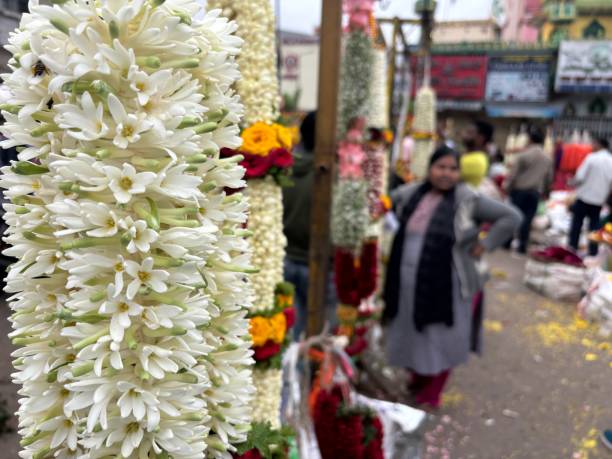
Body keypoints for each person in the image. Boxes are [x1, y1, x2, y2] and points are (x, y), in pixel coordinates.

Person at [383, 146, 521, 409]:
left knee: (439, 339)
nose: (446, 174)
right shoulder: (412, 193)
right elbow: (387, 201)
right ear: (429, 169)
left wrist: (486, 244)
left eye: (452, 169)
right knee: (415, 332)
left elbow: (511, 217)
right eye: (440, 167)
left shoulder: (468, 199)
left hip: (450, 285)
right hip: (410, 281)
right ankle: (418, 379)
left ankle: (430, 393)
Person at [282, 112, 336, 339]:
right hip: (319, 265)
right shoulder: (332, 175)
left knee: (291, 334)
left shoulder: (283, 168)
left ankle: (293, 373)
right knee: (321, 337)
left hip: (285, 260)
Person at [505, 126, 553, 254]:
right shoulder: (547, 158)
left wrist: (507, 187)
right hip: (535, 193)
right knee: (528, 219)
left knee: (513, 216)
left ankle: (507, 243)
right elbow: (548, 178)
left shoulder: (523, 155)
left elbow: (513, 175)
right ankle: (522, 246)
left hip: (519, 191)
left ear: (530, 140)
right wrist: (547, 192)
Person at [569, 136, 612, 256]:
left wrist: (572, 183)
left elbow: (580, 177)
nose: (592, 146)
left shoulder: (591, 158)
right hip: (598, 200)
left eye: (593, 143)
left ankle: (572, 248)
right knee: (594, 227)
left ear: (598, 144)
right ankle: (592, 252)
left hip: (584, 197)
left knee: (577, 224)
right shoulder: (610, 160)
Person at [460, 120, 493, 188]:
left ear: (480, 138)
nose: (464, 134)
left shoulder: (475, 160)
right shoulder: (473, 156)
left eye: (469, 132)